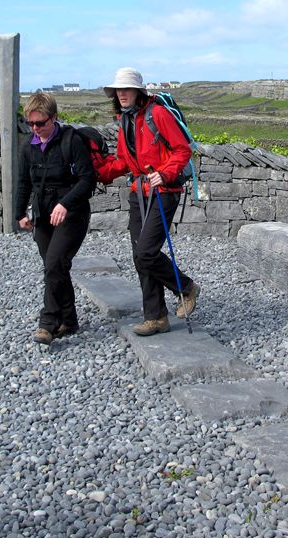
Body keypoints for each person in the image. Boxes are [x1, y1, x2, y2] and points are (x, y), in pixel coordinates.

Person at [96, 68, 200, 336]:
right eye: (118, 90)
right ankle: (155, 317)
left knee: (145, 252)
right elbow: (123, 161)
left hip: (164, 190)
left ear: (138, 92)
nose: (121, 94)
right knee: (139, 256)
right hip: (139, 190)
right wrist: (96, 172)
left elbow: (182, 149)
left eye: (126, 89)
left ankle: (186, 288)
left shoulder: (158, 114)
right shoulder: (125, 120)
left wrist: (164, 173)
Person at [14, 93, 96, 345]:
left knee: (53, 264)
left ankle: (47, 323)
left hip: (72, 214)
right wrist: (19, 214)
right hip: (42, 215)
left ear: (54, 118)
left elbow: (87, 179)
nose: (36, 129)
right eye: (31, 124)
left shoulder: (72, 142)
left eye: (41, 123)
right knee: (56, 268)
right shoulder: (28, 146)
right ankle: (69, 320)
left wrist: (64, 204)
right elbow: (24, 182)